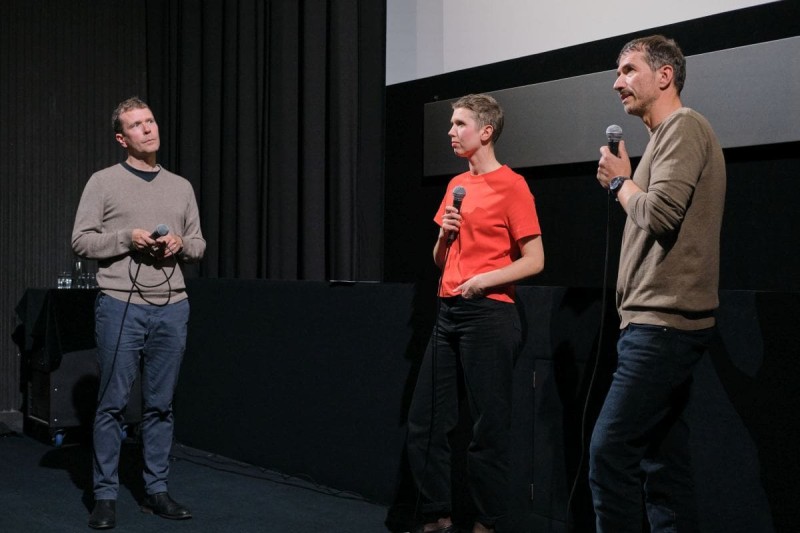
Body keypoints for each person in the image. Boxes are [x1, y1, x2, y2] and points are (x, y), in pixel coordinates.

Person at [591, 35, 726, 532]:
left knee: (609, 454)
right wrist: (629, 180)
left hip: (662, 324)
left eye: (628, 70)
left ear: (664, 76)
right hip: (652, 323)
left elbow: (661, 214)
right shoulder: (661, 141)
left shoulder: (684, 127)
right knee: (661, 465)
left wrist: (619, 182)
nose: (617, 82)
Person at [406, 93, 545, 533]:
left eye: (460, 124)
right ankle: (436, 516)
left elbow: (535, 259)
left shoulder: (513, 185)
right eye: (451, 124)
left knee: (487, 427)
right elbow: (438, 259)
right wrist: (445, 235)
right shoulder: (455, 186)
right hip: (447, 311)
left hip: (489, 313)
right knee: (425, 421)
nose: (450, 131)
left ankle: (488, 522)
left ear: (485, 132)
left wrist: (485, 279)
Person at [72, 97, 206, 530]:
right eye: (136, 125)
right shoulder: (103, 182)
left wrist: (180, 245)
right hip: (120, 306)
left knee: (161, 406)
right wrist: (128, 237)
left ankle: (156, 491)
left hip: (173, 307)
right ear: (121, 138)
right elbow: (81, 241)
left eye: (150, 120)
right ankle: (106, 496)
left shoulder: (181, 187)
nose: (148, 129)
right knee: (112, 404)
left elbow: (200, 244)